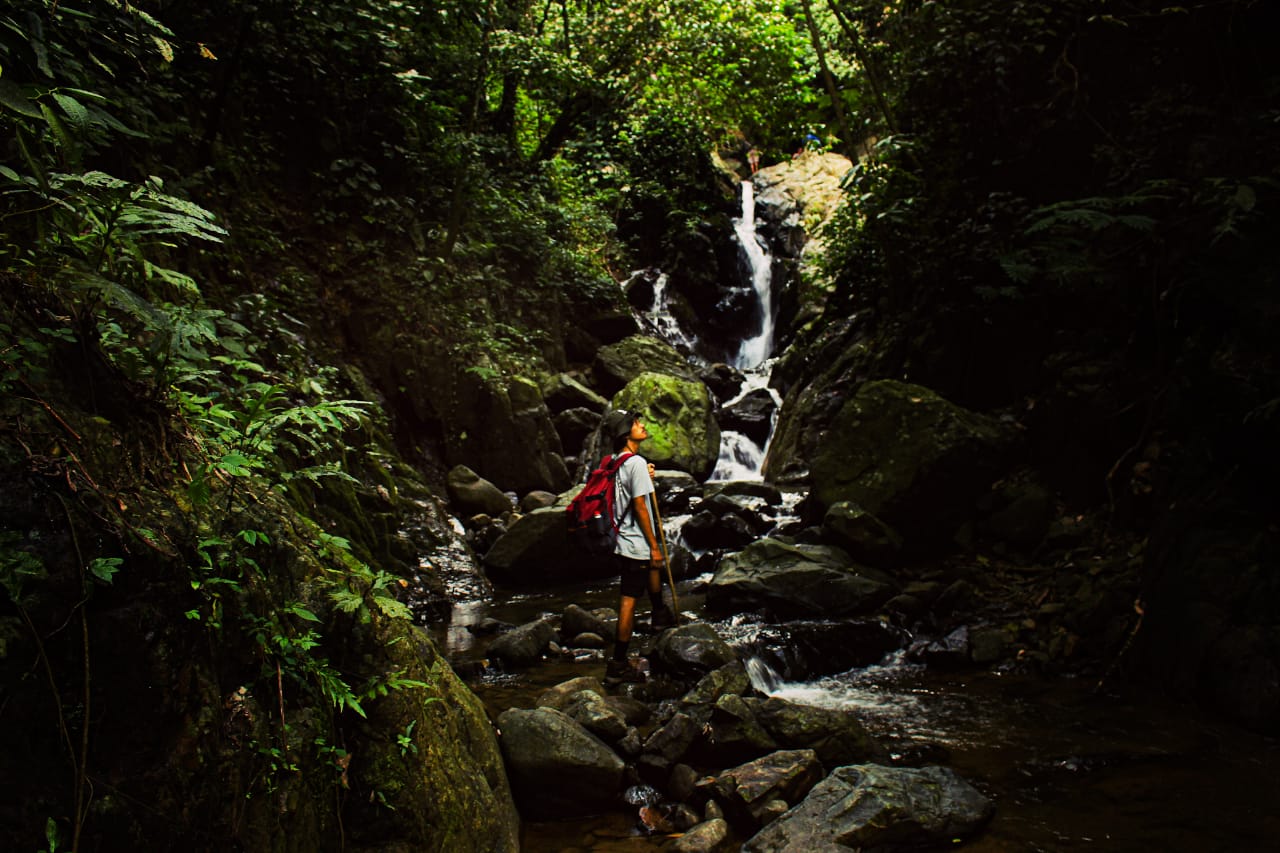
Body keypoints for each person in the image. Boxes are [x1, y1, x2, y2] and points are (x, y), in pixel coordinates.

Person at [602, 409, 676, 684]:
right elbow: (640, 507)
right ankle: (618, 664)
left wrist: (646, 476)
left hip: (622, 539)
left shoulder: (617, 461)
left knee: (652, 568)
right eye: (635, 423)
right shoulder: (635, 463)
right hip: (635, 541)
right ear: (625, 432)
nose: (641, 425)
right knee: (628, 601)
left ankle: (659, 615)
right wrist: (654, 544)